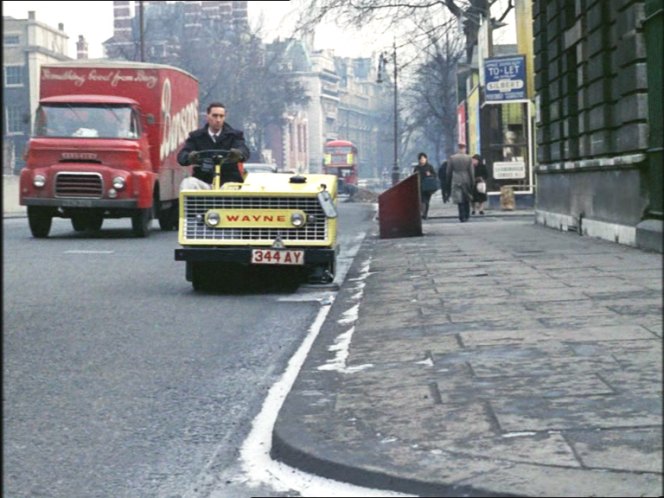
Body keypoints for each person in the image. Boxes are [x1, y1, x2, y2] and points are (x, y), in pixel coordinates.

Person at [177, 102, 250, 189]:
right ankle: (189, 203)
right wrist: (189, 157)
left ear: (224, 117)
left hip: (228, 182)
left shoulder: (234, 136)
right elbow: (182, 155)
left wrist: (238, 154)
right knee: (188, 183)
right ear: (207, 116)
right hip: (203, 182)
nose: (218, 119)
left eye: (221, 116)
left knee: (229, 188)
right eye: (215, 116)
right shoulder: (196, 136)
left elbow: (243, 150)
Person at [445, 143, 475, 222]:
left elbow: (448, 171)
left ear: (458, 149)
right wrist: (472, 181)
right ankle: (467, 215)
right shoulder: (468, 158)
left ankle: (461, 216)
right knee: (466, 197)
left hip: (456, 179)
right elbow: (471, 171)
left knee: (459, 199)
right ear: (464, 149)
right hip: (466, 179)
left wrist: (448, 181)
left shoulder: (452, 158)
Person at [413, 152, 437, 220]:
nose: (422, 160)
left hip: (428, 187)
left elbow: (435, 175)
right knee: (422, 200)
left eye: (423, 158)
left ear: (426, 159)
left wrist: (430, 174)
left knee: (427, 201)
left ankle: (425, 214)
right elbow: (414, 176)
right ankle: (422, 213)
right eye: (421, 159)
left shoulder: (429, 167)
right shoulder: (417, 168)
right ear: (419, 160)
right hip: (420, 186)